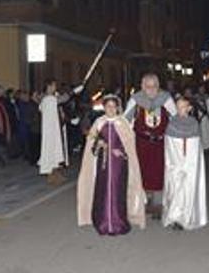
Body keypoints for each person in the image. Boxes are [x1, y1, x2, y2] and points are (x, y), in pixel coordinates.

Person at [76, 95, 146, 235]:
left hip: (119, 164)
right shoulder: (99, 122)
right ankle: (103, 221)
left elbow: (130, 145)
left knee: (117, 190)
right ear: (104, 107)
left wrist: (121, 151)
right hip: (103, 164)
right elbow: (91, 143)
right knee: (102, 190)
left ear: (118, 108)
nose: (111, 109)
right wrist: (98, 144)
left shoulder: (123, 123)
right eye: (108, 106)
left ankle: (118, 221)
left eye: (114, 106)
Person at [124, 74, 178, 218]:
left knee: (160, 173)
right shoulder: (136, 100)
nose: (151, 89)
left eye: (154, 86)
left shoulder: (166, 99)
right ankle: (145, 202)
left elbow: (175, 119)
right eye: (147, 86)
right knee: (142, 172)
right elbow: (126, 121)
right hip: (141, 144)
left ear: (158, 86)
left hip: (161, 143)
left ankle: (158, 204)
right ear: (142, 87)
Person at [163, 97, 208, 231]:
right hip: (176, 163)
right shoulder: (172, 124)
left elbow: (195, 147)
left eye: (183, 107)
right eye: (178, 107)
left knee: (188, 188)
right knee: (176, 188)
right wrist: (176, 162)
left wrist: (189, 162)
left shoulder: (194, 124)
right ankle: (174, 217)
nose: (180, 109)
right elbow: (169, 145)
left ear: (189, 108)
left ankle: (187, 217)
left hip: (190, 164)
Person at [39, 80, 81, 185]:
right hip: (50, 131)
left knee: (56, 151)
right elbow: (62, 99)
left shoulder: (49, 99)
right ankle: (52, 175)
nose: (55, 88)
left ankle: (56, 174)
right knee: (51, 151)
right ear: (49, 86)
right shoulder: (48, 99)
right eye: (53, 86)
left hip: (54, 129)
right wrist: (73, 92)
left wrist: (67, 120)